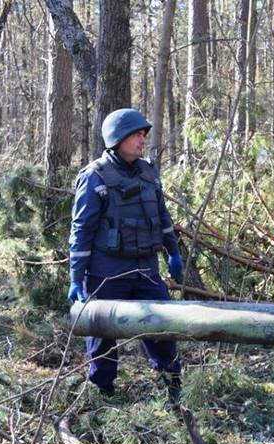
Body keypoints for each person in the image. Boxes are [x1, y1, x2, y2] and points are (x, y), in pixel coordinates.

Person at [68, 108, 184, 401]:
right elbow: (81, 228)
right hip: (106, 270)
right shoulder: (94, 176)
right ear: (117, 138)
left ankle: (170, 383)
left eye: (143, 134)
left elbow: (162, 216)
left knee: (162, 325)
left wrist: (173, 253)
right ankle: (103, 390)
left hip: (145, 268)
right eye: (135, 134)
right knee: (103, 333)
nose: (142, 139)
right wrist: (76, 277)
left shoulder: (148, 172)